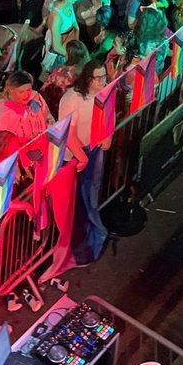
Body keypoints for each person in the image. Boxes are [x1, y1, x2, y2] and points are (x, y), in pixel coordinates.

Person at [59, 60, 107, 265]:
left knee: (91, 200)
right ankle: (81, 251)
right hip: (75, 158)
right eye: (99, 78)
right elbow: (67, 134)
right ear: (88, 79)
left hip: (93, 150)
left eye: (104, 76)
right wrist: (83, 157)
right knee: (79, 206)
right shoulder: (73, 99)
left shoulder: (102, 94)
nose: (103, 81)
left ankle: (93, 243)